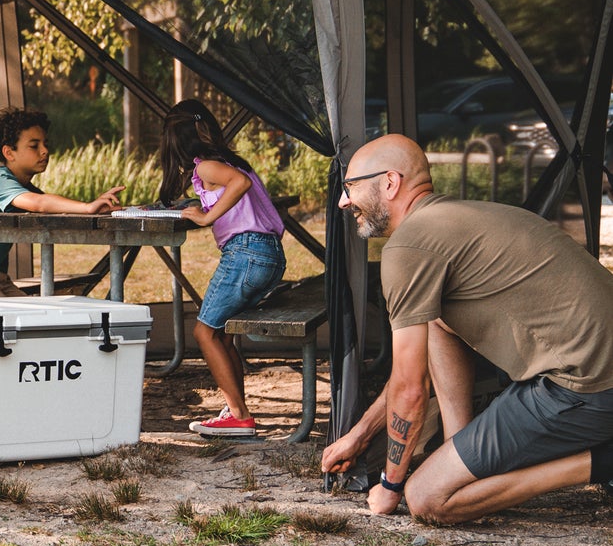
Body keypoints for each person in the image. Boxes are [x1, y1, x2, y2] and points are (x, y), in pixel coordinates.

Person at [322, 133, 613, 523]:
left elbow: (411, 387)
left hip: (586, 386)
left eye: (350, 186)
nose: (343, 201)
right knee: (438, 320)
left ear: (390, 183)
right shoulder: (460, 220)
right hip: (595, 371)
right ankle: (457, 448)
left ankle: (601, 462)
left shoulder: (408, 248)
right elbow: (419, 363)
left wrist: (391, 486)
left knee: (427, 498)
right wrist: (360, 434)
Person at [158, 99, 285, 437]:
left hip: (246, 253)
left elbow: (239, 184)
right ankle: (235, 409)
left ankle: (240, 417)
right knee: (221, 332)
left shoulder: (206, 167)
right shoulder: (228, 161)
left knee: (203, 332)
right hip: (268, 254)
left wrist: (206, 216)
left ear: (174, 141)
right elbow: (238, 184)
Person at [0, 107, 123, 298]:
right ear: (9, 152)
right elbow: (40, 204)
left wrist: (97, 209)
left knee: (31, 317)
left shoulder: (24, 190)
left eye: (45, 144)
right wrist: (88, 207)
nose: (45, 151)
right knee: (0, 316)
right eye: (34, 145)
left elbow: (49, 204)